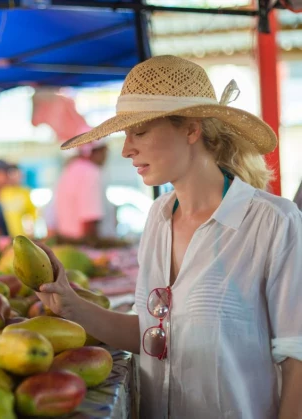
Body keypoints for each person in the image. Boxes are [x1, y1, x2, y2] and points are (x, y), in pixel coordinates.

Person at [35, 55, 302, 419]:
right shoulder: (159, 217)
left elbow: (296, 355)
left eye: (139, 132)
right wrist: (71, 305)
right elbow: (149, 333)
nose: (127, 148)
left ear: (192, 130)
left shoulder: (272, 223)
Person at [53, 139, 121, 247]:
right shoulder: (90, 172)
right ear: (96, 151)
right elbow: (90, 221)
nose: (106, 157)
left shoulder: (70, 169)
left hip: (71, 245)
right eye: (105, 151)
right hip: (87, 249)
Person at [0, 164, 37, 237]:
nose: (14, 177)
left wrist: (30, 230)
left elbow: (32, 213)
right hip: (6, 236)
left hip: (24, 236)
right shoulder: (3, 192)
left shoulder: (25, 192)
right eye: (11, 174)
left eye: (16, 174)